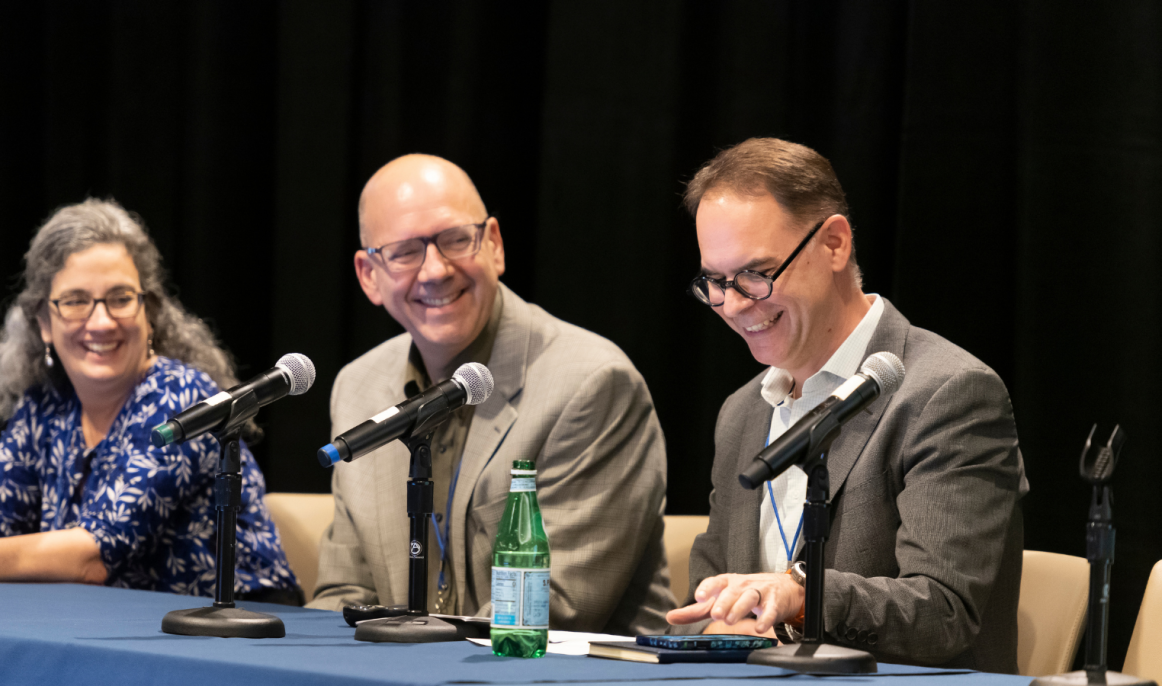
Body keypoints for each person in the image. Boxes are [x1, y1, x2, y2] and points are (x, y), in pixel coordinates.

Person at [665, 138, 1028, 672]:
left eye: (756, 274)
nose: (735, 304)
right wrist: (711, 620)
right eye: (715, 283)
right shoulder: (743, 411)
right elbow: (710, 593)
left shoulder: (949, 394)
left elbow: (944, 613)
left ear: (834, 243)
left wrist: (801, 595)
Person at [308, 154, 677, 634]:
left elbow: (551, 608)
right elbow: (342, 596)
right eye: (403, 252)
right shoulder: (358, 388)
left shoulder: (592, 383)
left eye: (456, 239)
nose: (435, 270)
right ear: (368, 276)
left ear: (495, 245)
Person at [0, 199, 299, 603]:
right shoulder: (46, 404)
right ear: (44, 322)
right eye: (75, 300)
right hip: (111, 629)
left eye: (120, 298)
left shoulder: (181, 396)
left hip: (240, 630)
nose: (100, 322)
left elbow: (92, 558)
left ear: (148, 311)